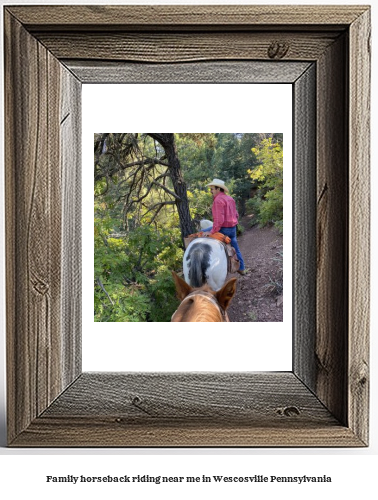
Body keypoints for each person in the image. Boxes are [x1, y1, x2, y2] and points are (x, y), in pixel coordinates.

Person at [203, 179, 247, 275]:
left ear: (218, 188)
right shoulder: (230, 199)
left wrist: (212, 232)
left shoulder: (218, 201)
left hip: (223, 229)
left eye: (212, 189)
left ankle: (206, 268)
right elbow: (236, 214)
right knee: (236, 248)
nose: (211, 191)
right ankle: (242, 268)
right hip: (233, 228)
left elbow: (219, 220)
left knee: (201, 233)